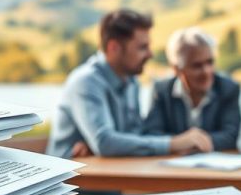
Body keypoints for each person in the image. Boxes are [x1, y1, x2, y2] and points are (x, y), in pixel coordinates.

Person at [47, 9, 212, 158]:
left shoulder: (132, 81)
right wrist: (173, 143)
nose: (150, 54)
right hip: (73, 186)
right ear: (114, 48)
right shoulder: (85, 82)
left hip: (113, 177)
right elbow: (105, 142)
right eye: (142, 47)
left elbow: (135, 134)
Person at [143, 27, 240, 150]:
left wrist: (195, 143)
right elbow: (151, 133)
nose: (206, 71)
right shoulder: (161, 91)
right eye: (197, 66)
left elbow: (232, 135)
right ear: (177, 69)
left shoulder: (228, 89)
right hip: (173, 167)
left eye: (210, 62)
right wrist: (180, 143)